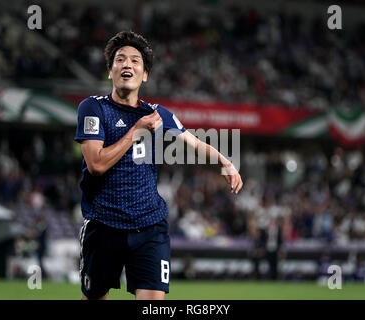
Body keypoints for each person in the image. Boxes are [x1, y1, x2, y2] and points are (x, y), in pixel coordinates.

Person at [74, 30, 243, 300]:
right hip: (104, 225)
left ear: (145, 75)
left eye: (134, 61)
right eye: (120, 60)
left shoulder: (157, 114)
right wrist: (136, 129)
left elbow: (196, 143)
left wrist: (226, 162)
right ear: (110, 71)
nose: (127, 64)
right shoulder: (93, 108)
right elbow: (95, 164)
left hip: (149, 225)